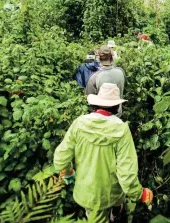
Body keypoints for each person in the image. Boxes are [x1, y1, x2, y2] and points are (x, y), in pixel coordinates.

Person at [53, 83, 153, 223]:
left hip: (87, 194)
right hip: (112, 193)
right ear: (117, 106)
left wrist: (69, 172)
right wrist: (139, 194)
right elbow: (126, 172)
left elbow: (61, 158)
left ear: (96, 103)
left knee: (93, 216)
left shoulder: (79, 123)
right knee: (117, 203)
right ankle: (116, 214)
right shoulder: (121, 129)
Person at [85, 45, 125, 116]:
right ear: (111, 57)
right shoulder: (121, 72)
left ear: (98, 58)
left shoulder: (94, 77)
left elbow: (89, 101)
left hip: (100, 118)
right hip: (118, 115)